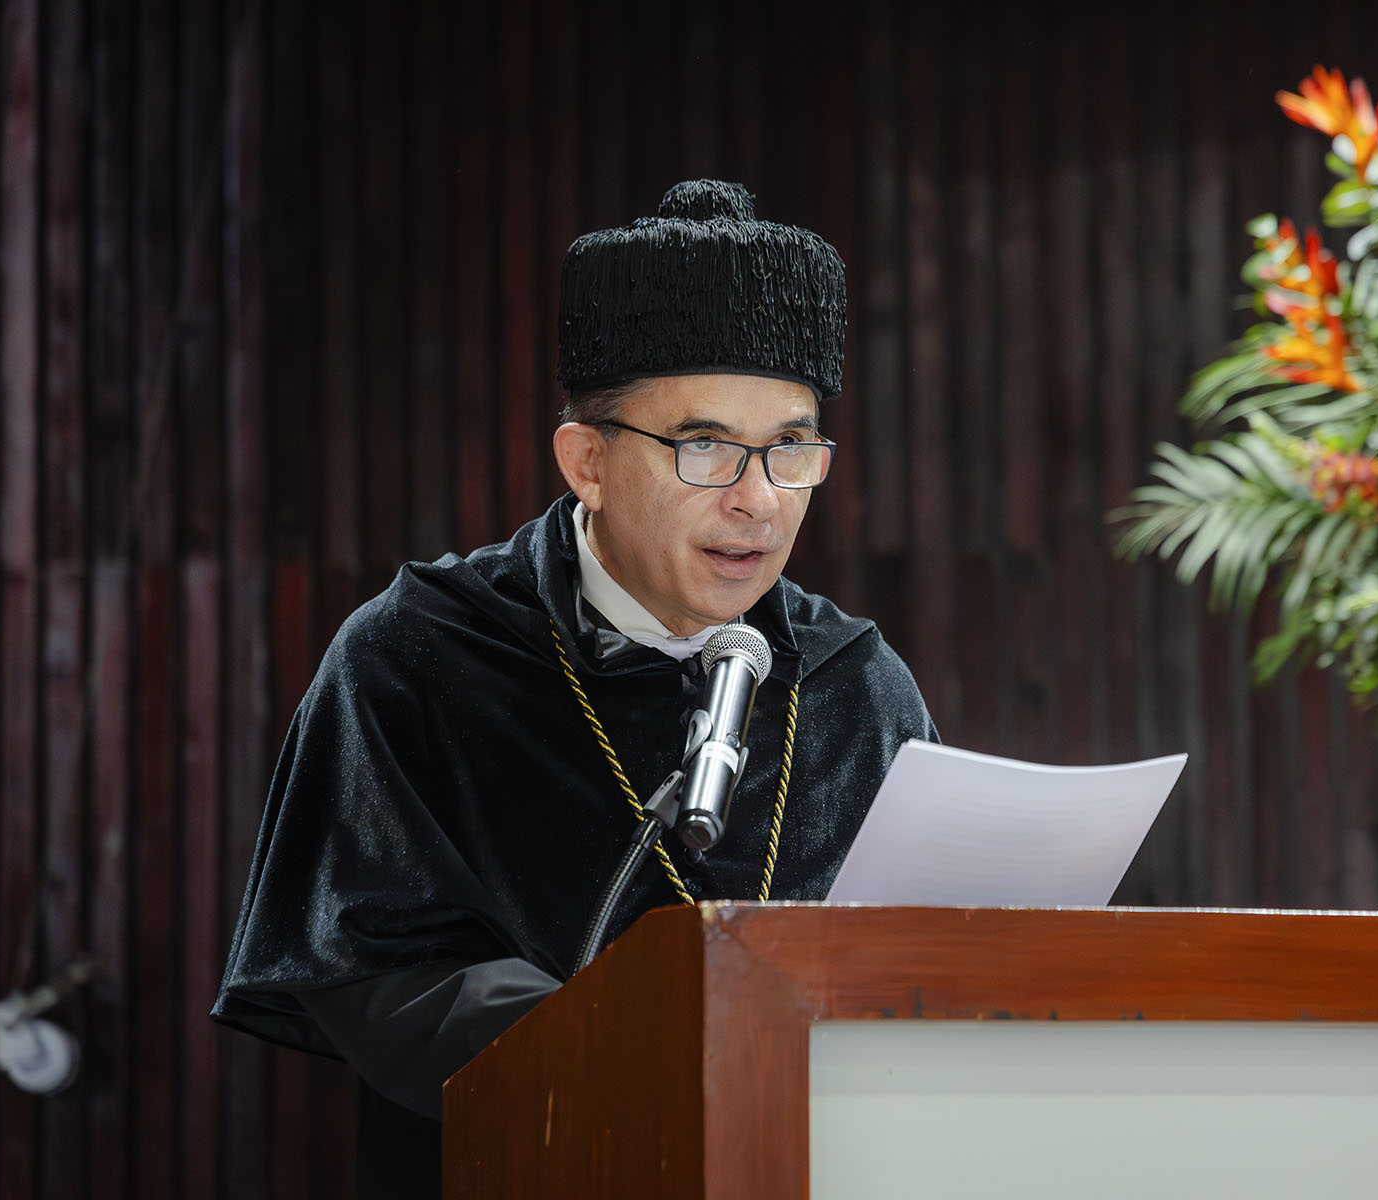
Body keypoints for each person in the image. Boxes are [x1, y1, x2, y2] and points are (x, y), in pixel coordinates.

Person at [211, 179, 937, 1198]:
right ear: (587, 460)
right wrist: (642, 1048)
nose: (758, 499)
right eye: (706, 447)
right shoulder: (417, 656)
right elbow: (371, 964)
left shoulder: (855, 682)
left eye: (790, 447)